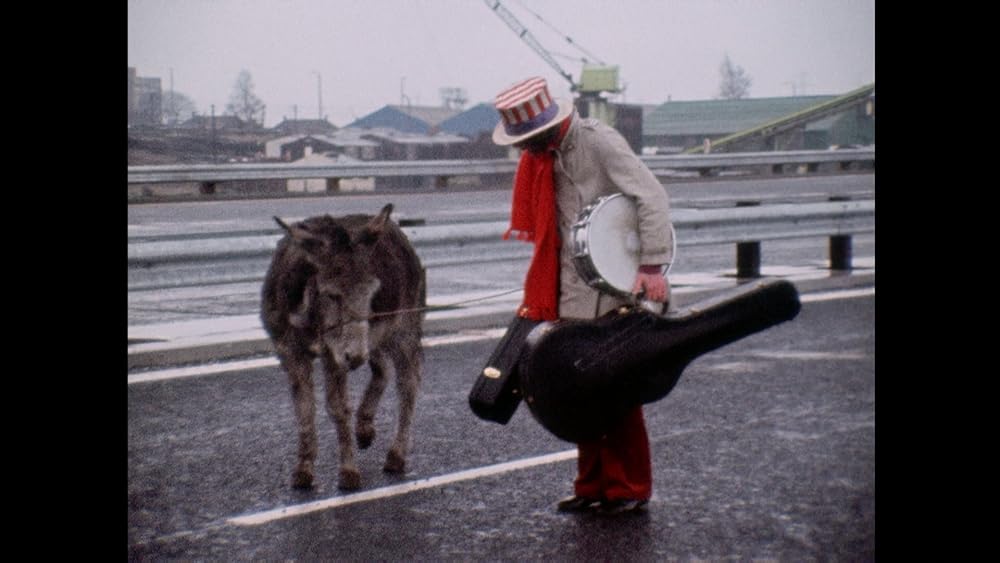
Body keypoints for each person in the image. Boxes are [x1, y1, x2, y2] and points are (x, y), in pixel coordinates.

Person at [491, 76, 675, 516]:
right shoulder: (544, 157)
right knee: (581, 392)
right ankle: (592, 485)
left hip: (615, 287)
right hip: (571, 289)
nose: (523, 150)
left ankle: (628, 487)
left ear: (549, 127)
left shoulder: (598, 142)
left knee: (619, 392)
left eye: (528, 139)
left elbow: (650, 195)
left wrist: (651, 266)